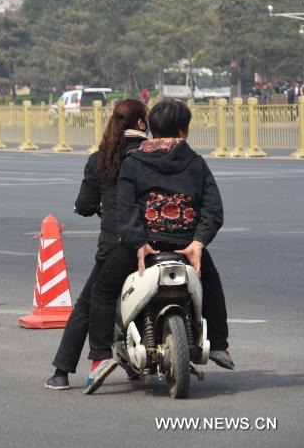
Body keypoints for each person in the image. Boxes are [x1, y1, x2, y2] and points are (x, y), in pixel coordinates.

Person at [83, 100, 233, 395]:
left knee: (102, 291)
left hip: (143, 248)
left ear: (152, 127)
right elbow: (214, 209)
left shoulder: (134, 162)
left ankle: (99, 358)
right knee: (211, 283)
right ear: (183, 131)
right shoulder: (196, 163)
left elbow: (124, 209)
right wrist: (198, 242)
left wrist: (139, 243)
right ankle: (218, 345)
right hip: (184, 244)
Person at [45, 99, 148, 390]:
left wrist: (100, 207)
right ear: (140, 124)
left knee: (87, 305)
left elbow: (84, 204)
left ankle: (62, 371)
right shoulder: (152, 153)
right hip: (158, 241)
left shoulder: (100, 158)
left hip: (116, 244)